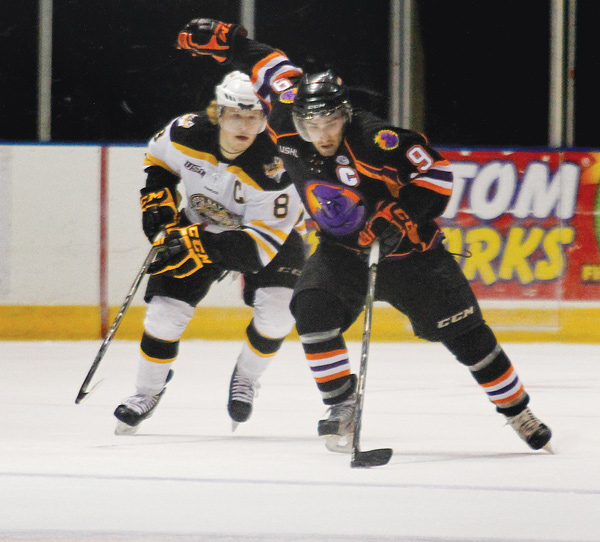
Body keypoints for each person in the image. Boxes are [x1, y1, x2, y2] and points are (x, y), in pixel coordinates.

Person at [174, 19, 553, 453]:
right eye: (312, 125)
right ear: (295, 117)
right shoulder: (283, 120)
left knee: (468, 338)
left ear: (345, 113)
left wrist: (399, 217)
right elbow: (269, 64)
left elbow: (436, 173)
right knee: (311, 308)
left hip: (413, 256)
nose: (322, 135)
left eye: (331, 123)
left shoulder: (378, 139)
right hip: (342, 252)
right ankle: (341, 406)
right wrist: (233, 42)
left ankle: (518, 412)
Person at [114, 70, 306, 435]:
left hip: (268, 238)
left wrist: (202, 247)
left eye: (255, 116)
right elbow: (158, 161)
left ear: (267, 117)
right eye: (236, 114)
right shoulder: (185, 131)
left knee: (279, 315)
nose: (245, 125)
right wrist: (157, 198)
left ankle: (246, 377)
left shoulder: (279, 164)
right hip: (199, 225)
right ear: (218, 112)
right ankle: (146, 392)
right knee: (162, 317)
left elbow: (257, 250)